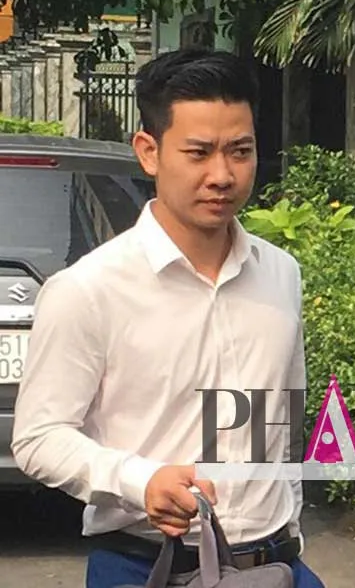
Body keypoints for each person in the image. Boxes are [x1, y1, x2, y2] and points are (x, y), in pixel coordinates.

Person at [11, 48, 324, 588]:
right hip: (145, 566)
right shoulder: (89, 289)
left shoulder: (280, 274)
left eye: (240, 151)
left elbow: (282, 425)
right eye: (198, 153)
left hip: (274, 566)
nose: (222, 175)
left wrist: (290, 529)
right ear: (149, 152)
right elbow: (39, 438)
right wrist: (141, 480)